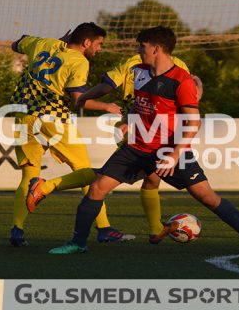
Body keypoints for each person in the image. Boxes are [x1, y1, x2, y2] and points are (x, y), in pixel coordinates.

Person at [48, 26, 239, 255]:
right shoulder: (139, 72)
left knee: (208, 198)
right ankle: (78, 243)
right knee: (97, 188)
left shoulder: (181, 81)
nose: (139, 50)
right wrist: (85, 98)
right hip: (137, 147)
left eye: (142, 46)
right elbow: (124, 97)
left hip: (168, 151)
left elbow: (193, 122)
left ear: (156, 48)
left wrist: (175, 155)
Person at [26, 53, 202, 241]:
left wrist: (91, 98)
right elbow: (193, 97)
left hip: (139, 125)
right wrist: (199, 85)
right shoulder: (175, 64)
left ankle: (154, 229)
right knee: (111, 175)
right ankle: (46, 186)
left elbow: (108, 83)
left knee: (151, 177)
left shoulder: (128, 63)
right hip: (141, 128)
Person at [8, 22, 133, 246]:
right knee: (87, 172)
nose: (99, 49)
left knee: (28, 176)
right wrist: (107, 107)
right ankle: (103, 228)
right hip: (54, 120)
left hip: (24, 117)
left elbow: (15, 44)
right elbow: (78, 100)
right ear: (86, 42)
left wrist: (56, 44)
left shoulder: (42, 43)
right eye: (99, 44)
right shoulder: (79, 62)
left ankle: (17, 229)